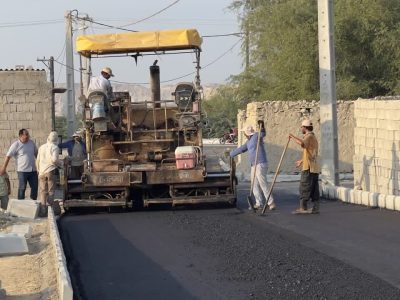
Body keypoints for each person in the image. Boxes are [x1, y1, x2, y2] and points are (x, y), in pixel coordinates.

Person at [230, 121, 276, 210]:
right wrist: (231, 154)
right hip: (254, 165)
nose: (243, 134)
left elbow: (263, 133)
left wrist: (262, 126)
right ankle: (259, 203)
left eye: (244, 133)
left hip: (260, 163)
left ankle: (271, 202)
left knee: (263, 183)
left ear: (247, 133)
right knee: (254, 184)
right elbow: (241, 149)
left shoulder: (256, 136)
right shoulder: (249, 141)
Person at [289, 119, 320, 214]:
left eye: (302, 127)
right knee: (314, 188)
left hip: (309, 168)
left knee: (304, 187)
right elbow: (310, 152)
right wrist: (302, 161)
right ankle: (315, 207)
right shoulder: (312, 137)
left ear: (305, 127)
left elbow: (302, 144)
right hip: (314, 167)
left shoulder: (309, 136)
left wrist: (293, 137)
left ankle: (303, 207)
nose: (301, 128)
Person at [1, 129, 38, 200]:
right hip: (22, 171)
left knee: (34, 187)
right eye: (26, 135)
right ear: (21, 136)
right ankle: (20, 203)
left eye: (28, 135)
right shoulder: (16, 145)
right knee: (22, 187)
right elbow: (8, 156)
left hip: (33, 170)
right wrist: (3, 168)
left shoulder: (31, 143)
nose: (28, 137)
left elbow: (36, 154)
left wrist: (41, 165)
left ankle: (33, 202)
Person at [36, 131, 63, 215]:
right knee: (51, 191)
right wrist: (61, 164)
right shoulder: (54, 147)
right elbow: (54, 160)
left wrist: (39, 170)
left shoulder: (41, 147)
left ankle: (43, 210)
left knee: (43, 191)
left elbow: (37, 160)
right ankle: (50, 209)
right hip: (51, 171)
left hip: (41, 172)